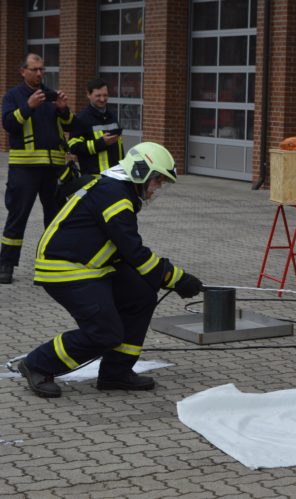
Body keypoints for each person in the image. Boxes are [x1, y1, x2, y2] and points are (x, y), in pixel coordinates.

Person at [17, 142, 203, 398]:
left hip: (93, 265)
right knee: (105, 333)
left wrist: (164, 277)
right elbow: (134, 252)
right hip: (66, 269)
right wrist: (176, 278)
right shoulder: (115, 196)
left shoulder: (116, 190)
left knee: (141, 296)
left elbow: (125, 250)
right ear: (141, 173)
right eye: (158, 180)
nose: (158, 187)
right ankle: (37, 364)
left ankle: (116, 372)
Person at [0, 53, 74, 284]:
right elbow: (8, 124)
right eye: (35, 69)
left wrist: (63, 109)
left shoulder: (51, 96)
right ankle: (6, 265)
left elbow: (71, 125)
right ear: (23, 71)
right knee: (17, 217)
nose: (40, 73)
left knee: (55, 219)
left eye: (42, 69)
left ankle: (52, 264)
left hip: (53, 169)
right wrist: (28, 107)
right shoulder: (13, 95)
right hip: (25, 168)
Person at [68, 78, 123, 175]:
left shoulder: (112, 116)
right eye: (98, 96)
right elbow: (74, 147)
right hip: (94, 178)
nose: (102, 99)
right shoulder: (81, 119)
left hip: (116, 176)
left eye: (105, 95)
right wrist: (101, 143)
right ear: (88, 95)